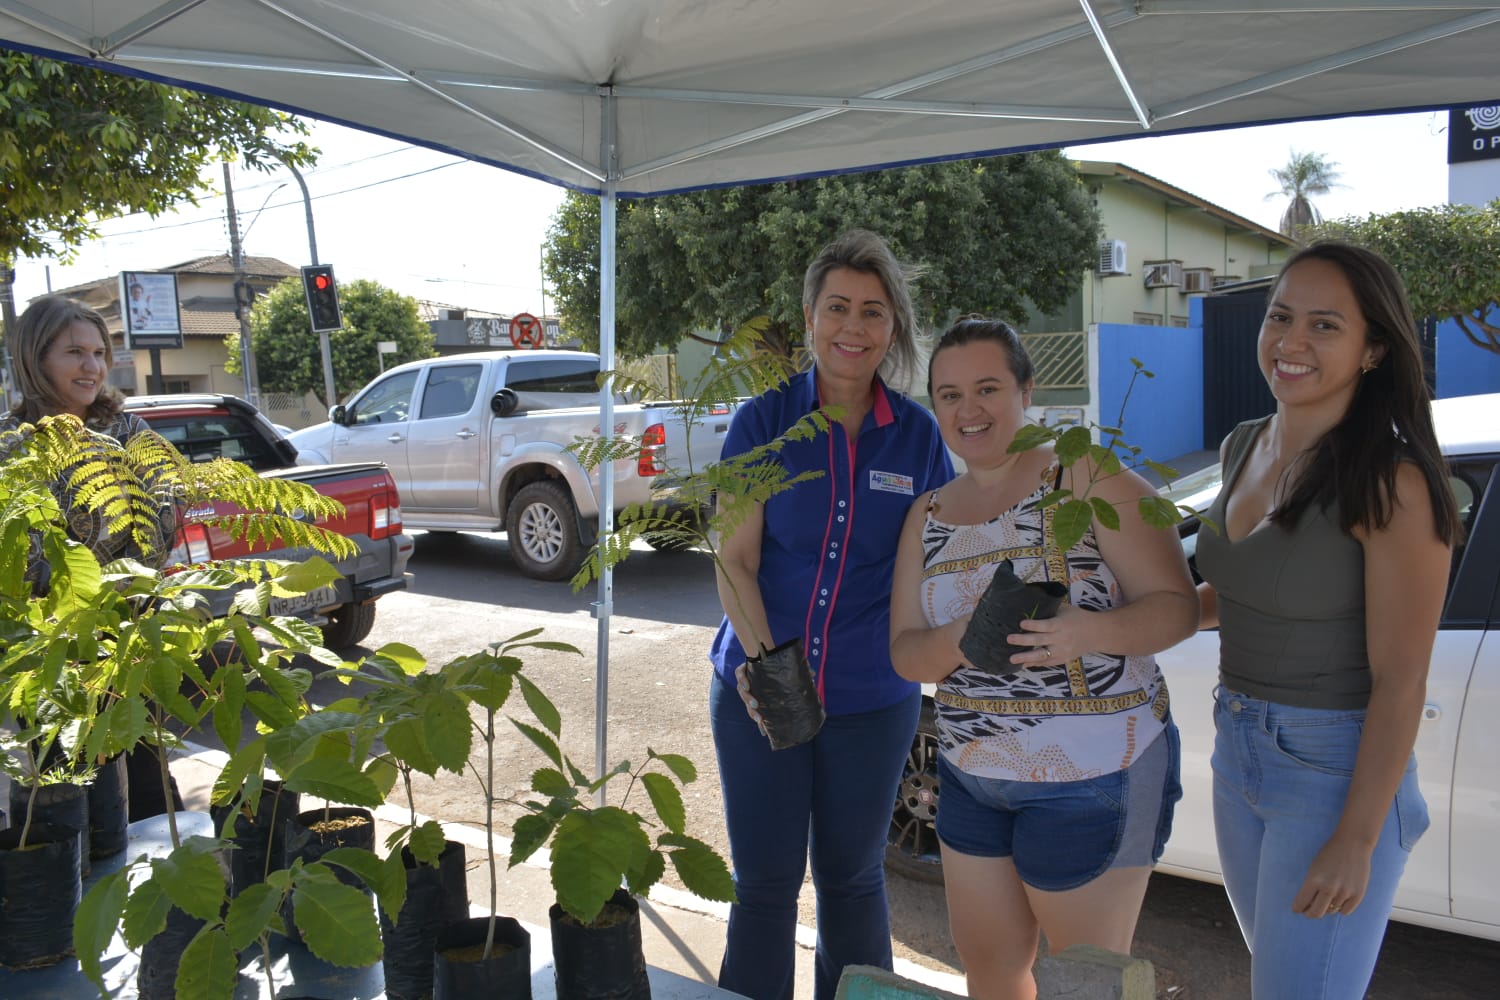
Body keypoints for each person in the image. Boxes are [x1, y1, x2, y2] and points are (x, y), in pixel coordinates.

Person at [889, 317, 1197, 1000]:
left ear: (1027, 390)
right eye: (948, 394)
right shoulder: (928, 514)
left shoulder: (1085, 473)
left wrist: (1088, 632)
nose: (968, 409)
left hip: (1096, 771)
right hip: (971, 775)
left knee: (1085, 984)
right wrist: (965, 633)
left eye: (988, 388)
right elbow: (908, 655)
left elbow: (1175, 605)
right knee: (992, 973)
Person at [1194, 242, 1458, 999]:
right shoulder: (1246, 443)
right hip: (1236, 750)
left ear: (1374, 348)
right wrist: (1133, 616)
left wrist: (1358, 838)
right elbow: (1244, 591)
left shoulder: (1393, 481)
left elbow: (1402, 678)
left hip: (1331, 772)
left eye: (1325, 325)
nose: (1292, 342)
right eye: (1280, 317)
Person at [708, 230, 955, 1000]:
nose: (854, 326)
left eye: (874, 311)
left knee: (851, 882)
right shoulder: (763, 423)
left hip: (872, 700)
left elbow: (936, 562)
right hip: (760, 689)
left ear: (893, 328)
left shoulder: (917, 437)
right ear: (810, 315)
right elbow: (733, 560)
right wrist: (769, 672)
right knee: (766, 887)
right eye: (839, 307)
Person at [3, 294, 182, 818]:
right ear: (37, 360)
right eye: (74, 353)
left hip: (124, 634)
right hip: (44, 647)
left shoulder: (128, 432)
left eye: (100, 353)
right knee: (61, 787)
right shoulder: (11, 443)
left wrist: (112, 588)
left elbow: (162, 520)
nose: (93, 367)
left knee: (146, 782)